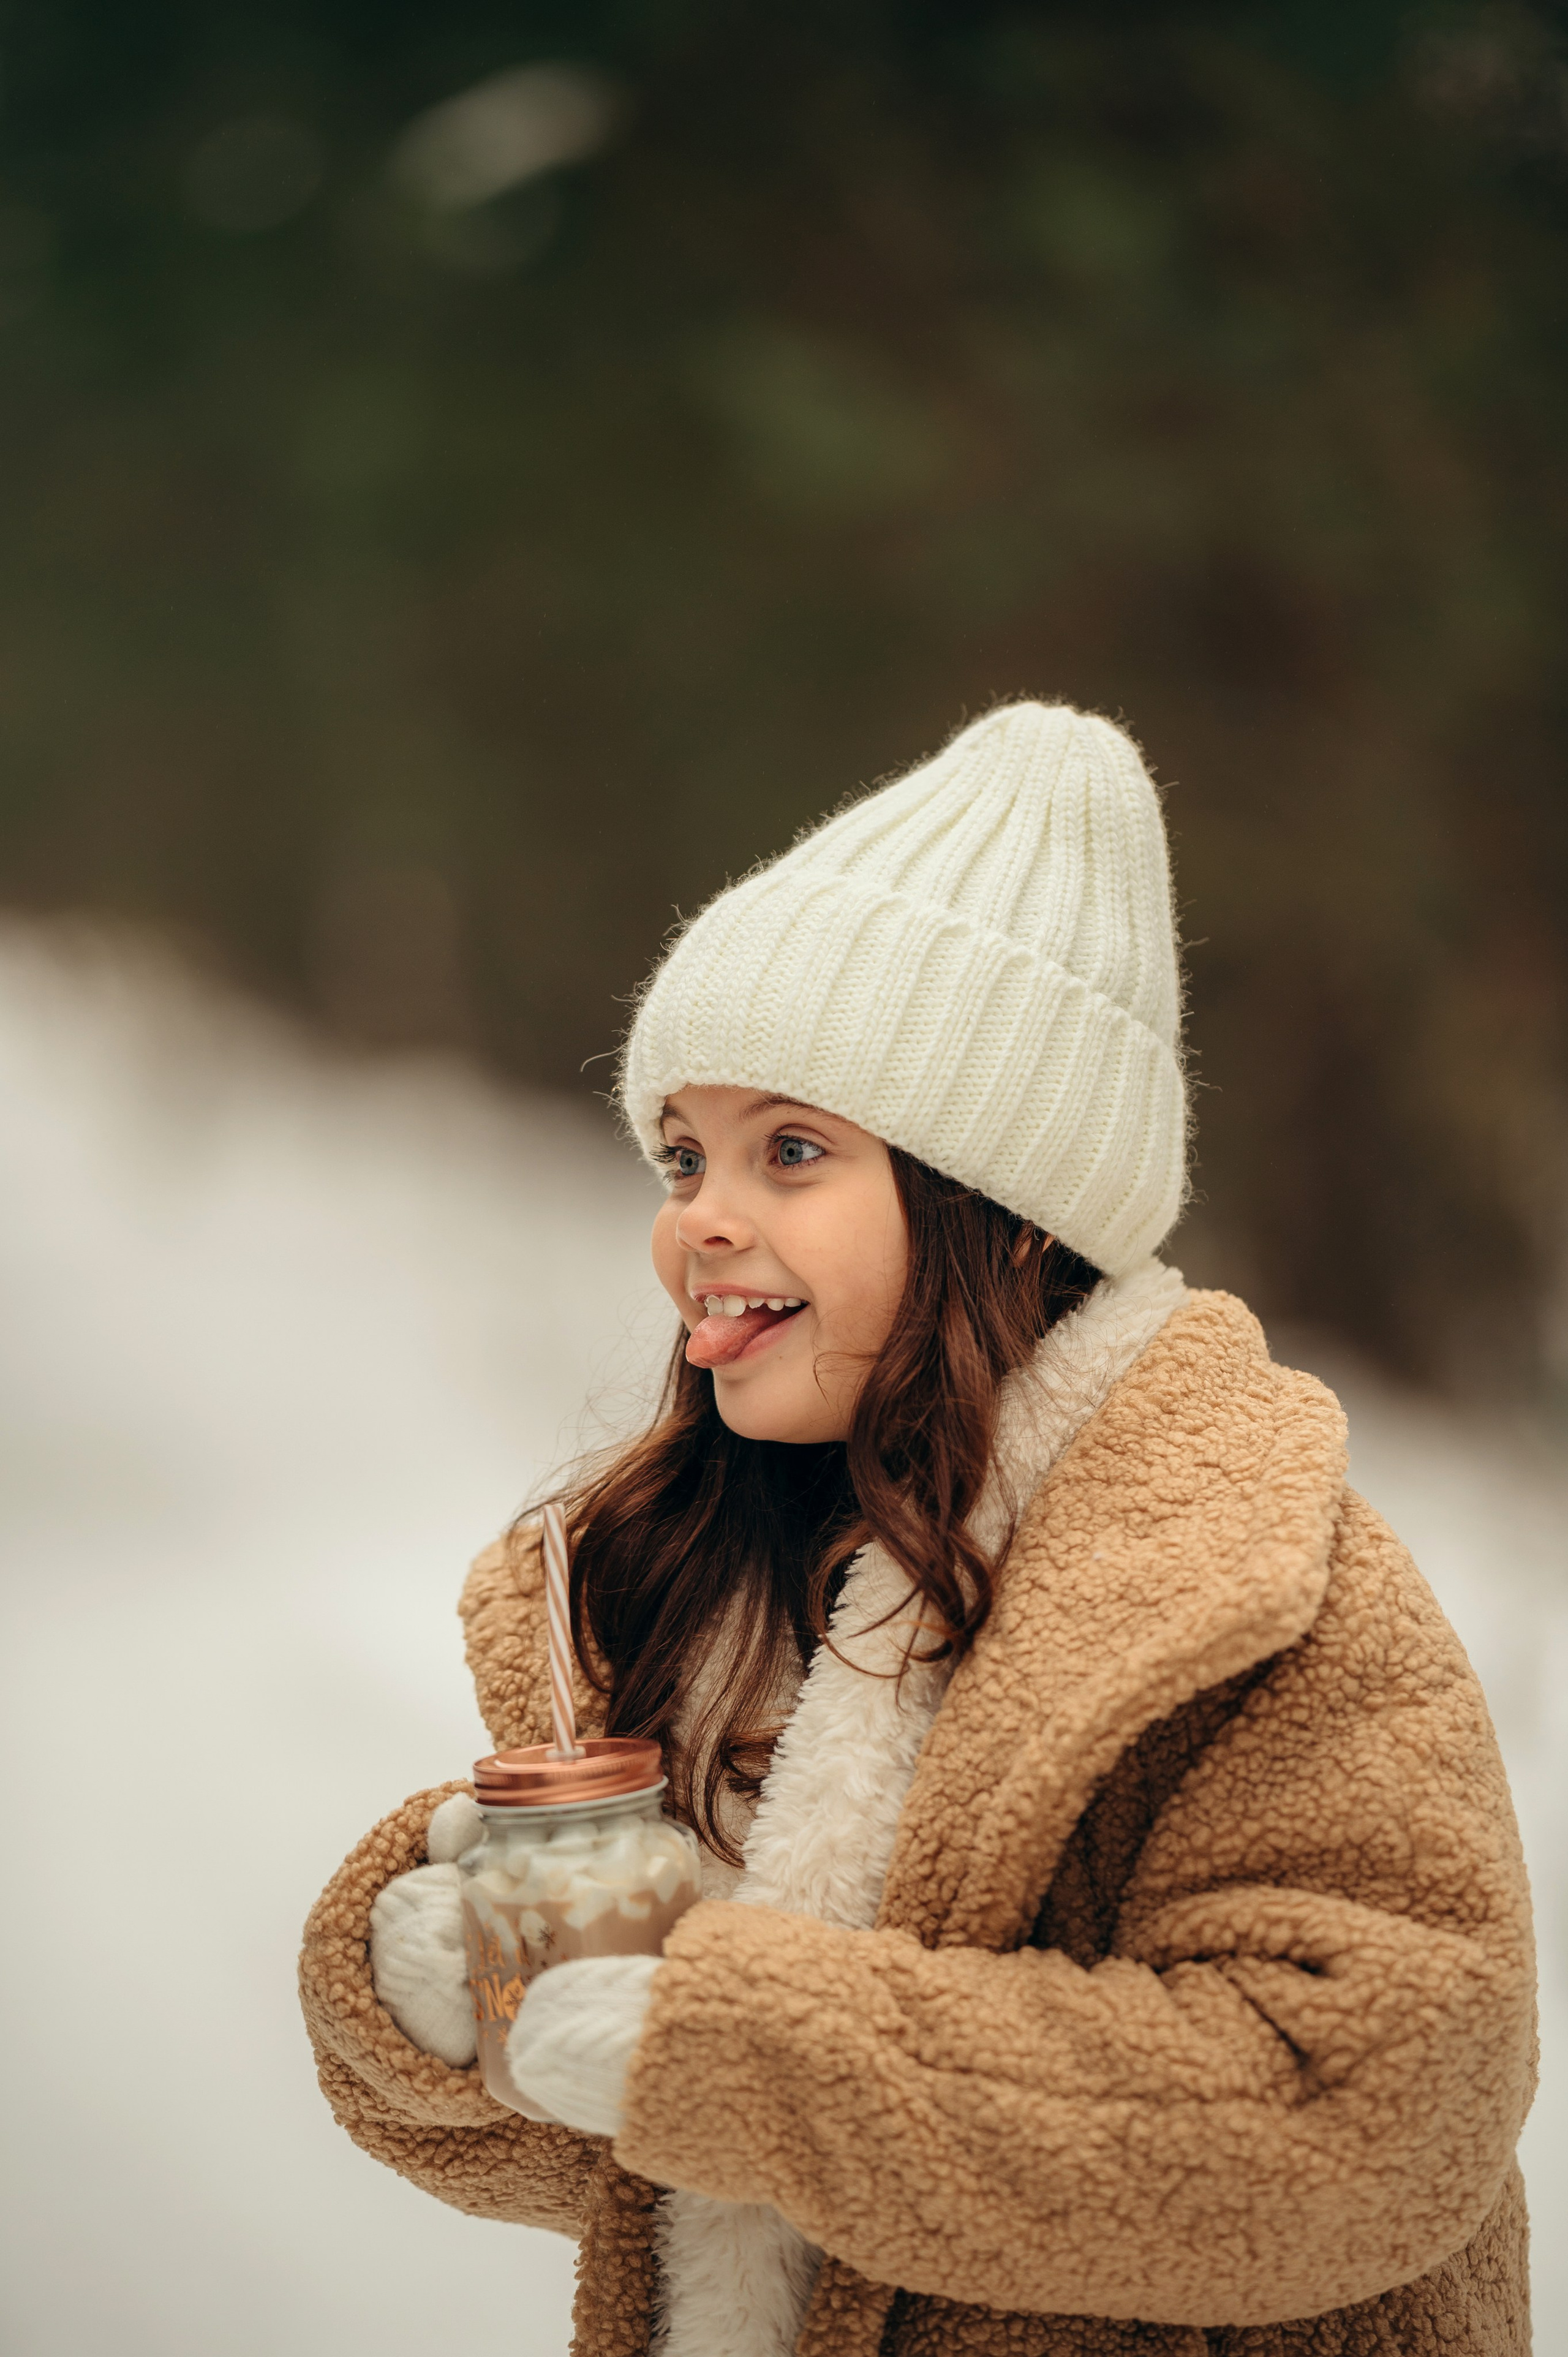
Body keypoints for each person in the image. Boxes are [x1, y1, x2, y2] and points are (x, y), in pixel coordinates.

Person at [300, 702, 1536, 2356]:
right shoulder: (721, 1578)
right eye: (684, 1154)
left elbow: (1368, 2111)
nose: (698, 1223)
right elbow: (687, 2177)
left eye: (789, 1150)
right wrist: (459, 2014)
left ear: (1002, 1211)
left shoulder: (1252, 1581)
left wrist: (729, 2042)